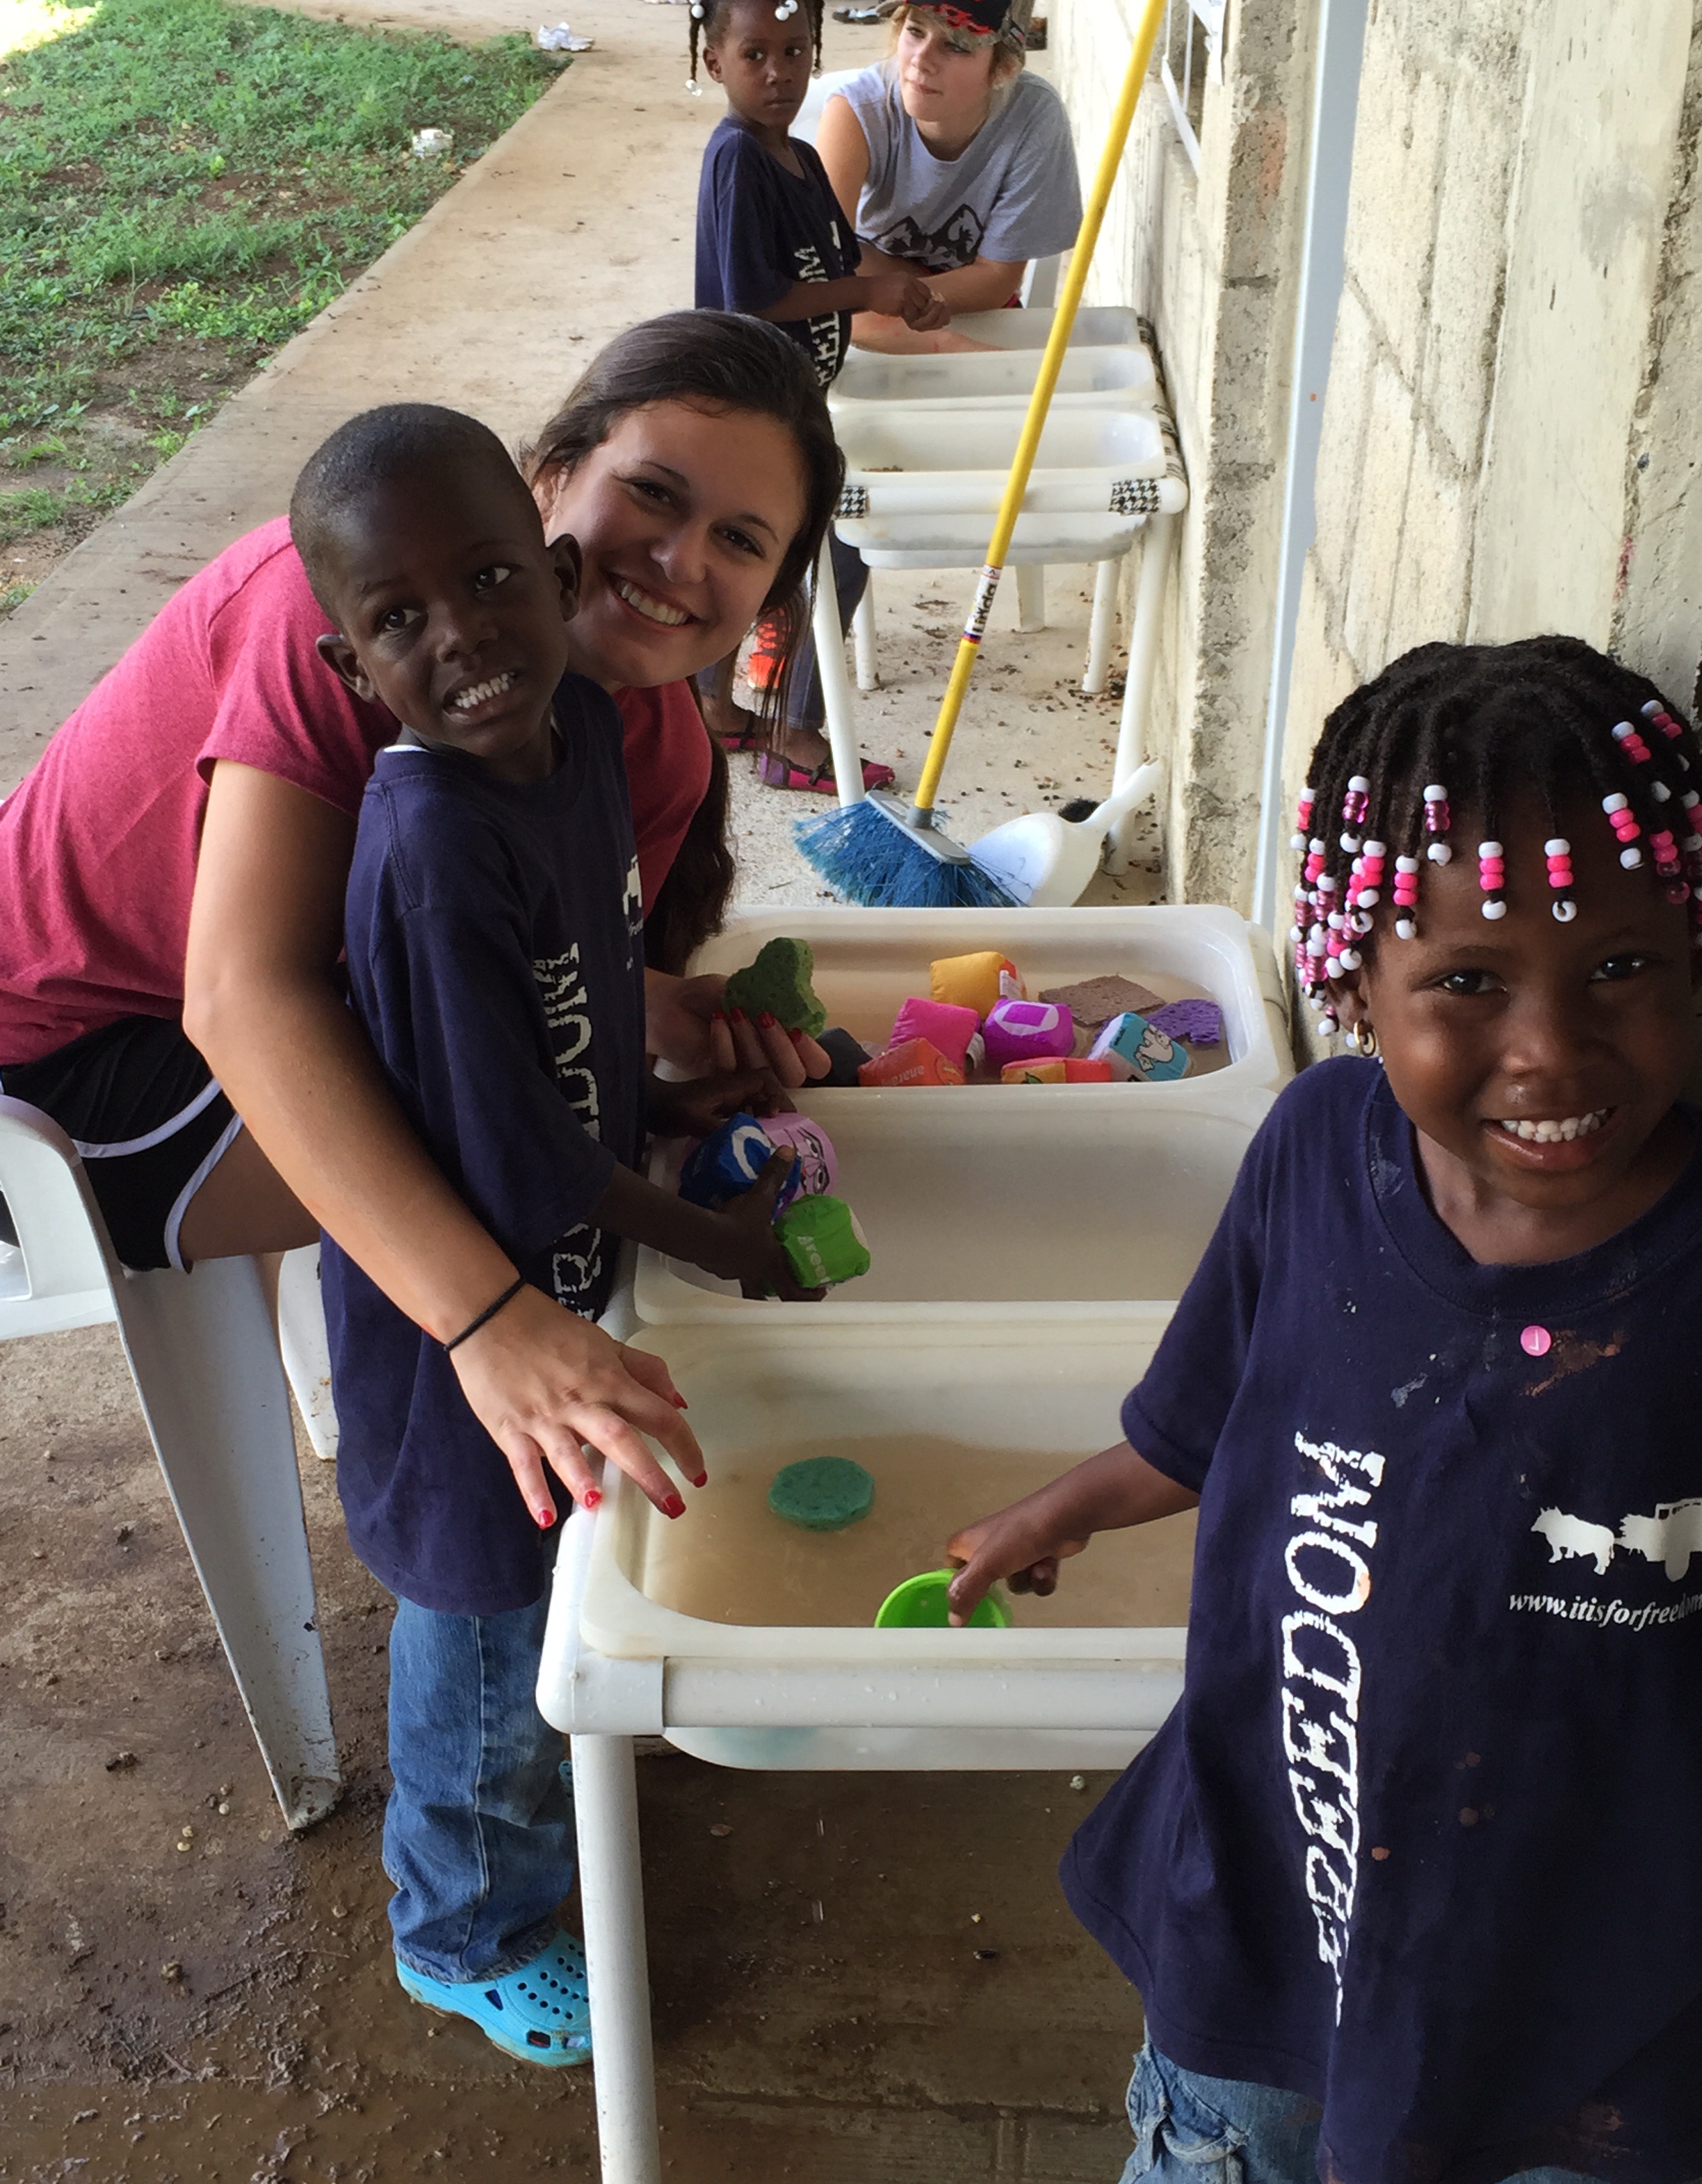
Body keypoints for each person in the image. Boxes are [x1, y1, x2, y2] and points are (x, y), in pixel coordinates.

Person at [945, 638, 1702, 2181]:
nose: (1550, 1048)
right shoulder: (1312, 1151)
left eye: (1622, 968)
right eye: (1468, 982)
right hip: (1267, 1904)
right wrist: (1059, 1509)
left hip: (1574, 1988)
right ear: (1353, 984)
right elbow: (1202, 1414)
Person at [0, 312, 838, 1523]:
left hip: (211, 1033)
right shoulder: (352, 611)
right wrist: (489, 1322)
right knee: (509, 1179)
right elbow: (246, 997)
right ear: (551, 477)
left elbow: (509, 985)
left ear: (770, 592)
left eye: (740, 539)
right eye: (651, 494)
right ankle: (479, 1539)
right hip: (60, 1070)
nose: (676, 558)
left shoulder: (648, 748)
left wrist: (656, 1025)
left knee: (572, 1126)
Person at [289, 403, 816, 2065]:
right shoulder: (434, 848)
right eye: (399, 618)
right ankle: (462, 1925)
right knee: (483, 1606)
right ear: (348, 664)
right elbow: (520, 1165)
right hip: (463, 1317)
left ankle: (540, 1781)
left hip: (567, 1265)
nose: (461, 637)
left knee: (554, 1578)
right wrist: (724, 1241)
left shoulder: (582, 735)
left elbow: (574, 1007)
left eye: (490, 580)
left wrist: (669, 1104)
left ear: (559, 571)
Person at [687, 0, 949, 794]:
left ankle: (714, 708)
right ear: (714, 62)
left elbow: (842, 257)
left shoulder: (797, 157)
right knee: (840, 552)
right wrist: (869, 291)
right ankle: (796, 734)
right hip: (753, 411)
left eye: (794, 51)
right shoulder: (738, 157)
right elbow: (756, 296)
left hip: (800, 400)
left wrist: (906, 289)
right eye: (754, 54)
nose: (778, 72)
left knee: (756, 555)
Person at [816, 0, 1083, 357]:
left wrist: (890, 292)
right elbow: (820, 272)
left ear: (1004, 67)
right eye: (915, 31)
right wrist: (940, 340)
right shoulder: (857, 111)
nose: (921, 60)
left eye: (956, 45)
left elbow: (996, 282)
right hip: (875, 304)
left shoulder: (1033, 117)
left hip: (959, 308)